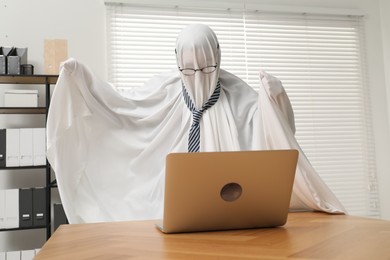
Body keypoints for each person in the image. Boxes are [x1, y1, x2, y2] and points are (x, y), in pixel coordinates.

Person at [47, 24, 346, 224]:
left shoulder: (238, 94)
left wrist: (275, 100)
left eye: (207, 68)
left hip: (229, 213)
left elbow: (276, 136)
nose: (198, 77)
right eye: (188, 70)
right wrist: (82, 80)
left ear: (218, 57)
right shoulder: (165, 89)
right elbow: (122, 106)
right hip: (168, 209)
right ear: (177, 62)